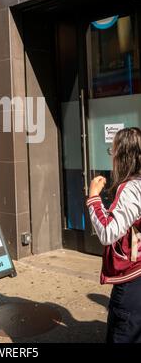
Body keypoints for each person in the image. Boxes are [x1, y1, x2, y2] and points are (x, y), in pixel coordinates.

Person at [87, 127, 141, 343]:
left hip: (132, 280)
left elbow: (108, 232)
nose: (112, 156)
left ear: (123, 155)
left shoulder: (131, 188)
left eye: (113, 151)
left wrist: (93, 197)